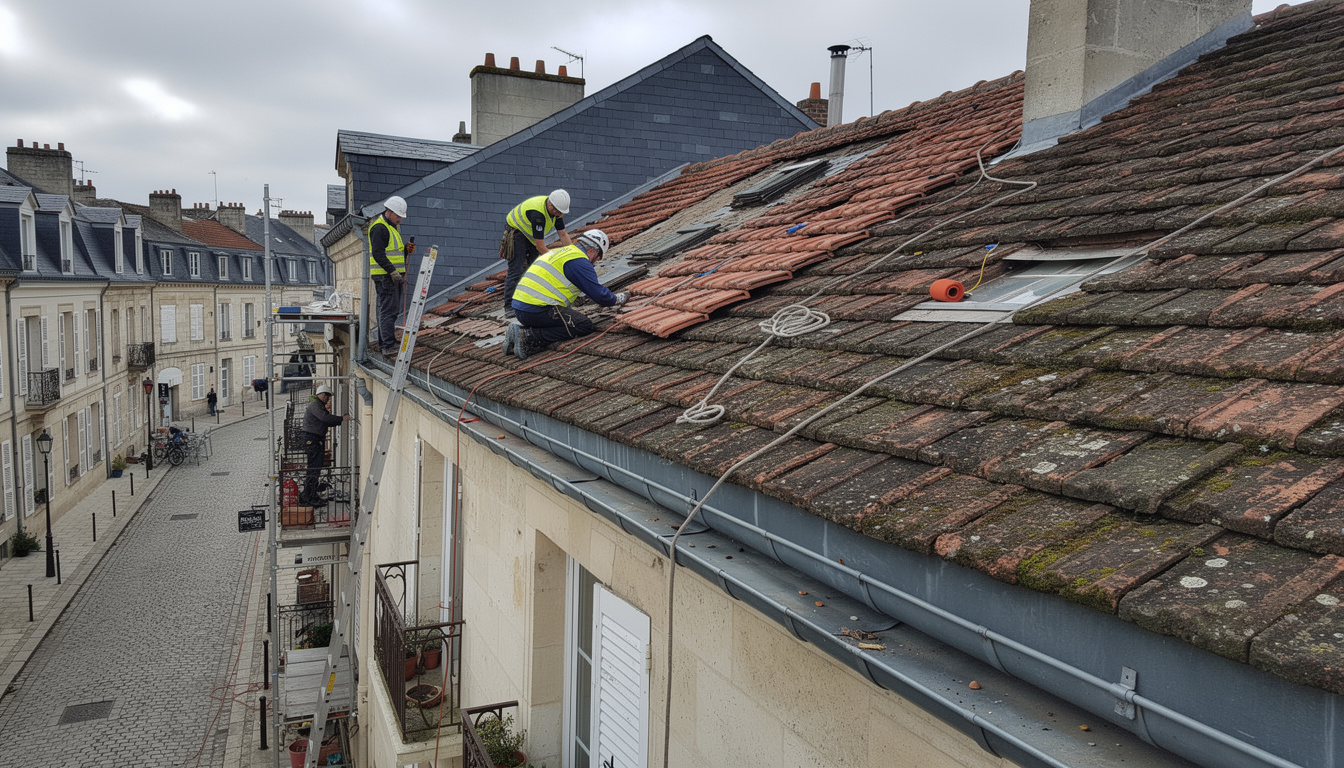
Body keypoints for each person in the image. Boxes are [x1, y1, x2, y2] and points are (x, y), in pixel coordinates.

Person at [503, 229, 627, 360]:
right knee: (583, 325)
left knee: (565, 318)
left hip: (521, 308)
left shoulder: (561, 252)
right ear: (593, 252)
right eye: (597, 258)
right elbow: (600, 296)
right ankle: (528, 336)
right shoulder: (580, 261)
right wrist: (618, 299)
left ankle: (517, 331)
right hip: (537, 310)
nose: (595, 263)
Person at [500, 190, 573, 317]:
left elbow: (563, 234)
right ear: (550, 203)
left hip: (530, 235)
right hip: (517, 232)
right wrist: (556, 260)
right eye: (555, 210)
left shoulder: (558, 212)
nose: (557, 213)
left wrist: (573, 255)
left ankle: (528, 300)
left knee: (533, 269)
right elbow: (540, 246)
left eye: (559, 212)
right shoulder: (538, 214)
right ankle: (509, 306)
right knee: (516, 269)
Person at [369, 196, 416, 355]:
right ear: (389, 211)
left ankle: (387, 342)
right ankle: (388, 345)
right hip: (386, 277)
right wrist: (392, 271)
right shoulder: (380, 228)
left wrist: (405, 250)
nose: (400, 219)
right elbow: (378, 254)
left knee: (389, 310)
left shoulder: (391, 227)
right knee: (388, 311)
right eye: (398, 216)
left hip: (389, 276)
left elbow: (392, 253)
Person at [298, 384, 351, 507]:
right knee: (313, 468)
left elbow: (325, 420)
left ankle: (309, 494)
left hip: (315, 439)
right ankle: (308, 496)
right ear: (321, 395)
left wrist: (339, 420)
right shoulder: (316, 406)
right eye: (327, 396)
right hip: (313, 440)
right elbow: (325, 418)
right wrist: (342, 419)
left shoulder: (317, 405)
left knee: (315, 468)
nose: (328, 399)